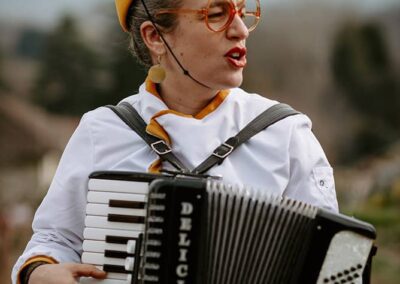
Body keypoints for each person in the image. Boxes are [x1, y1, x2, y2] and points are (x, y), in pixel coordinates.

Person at [12, 0, 338, 283]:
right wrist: (38, 271)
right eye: (215, 14)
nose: (240, 30)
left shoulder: (285, 133)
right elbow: (55, 238)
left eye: (241, 12)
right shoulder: (102, 131)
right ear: (155, 36)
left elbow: (331, 260)